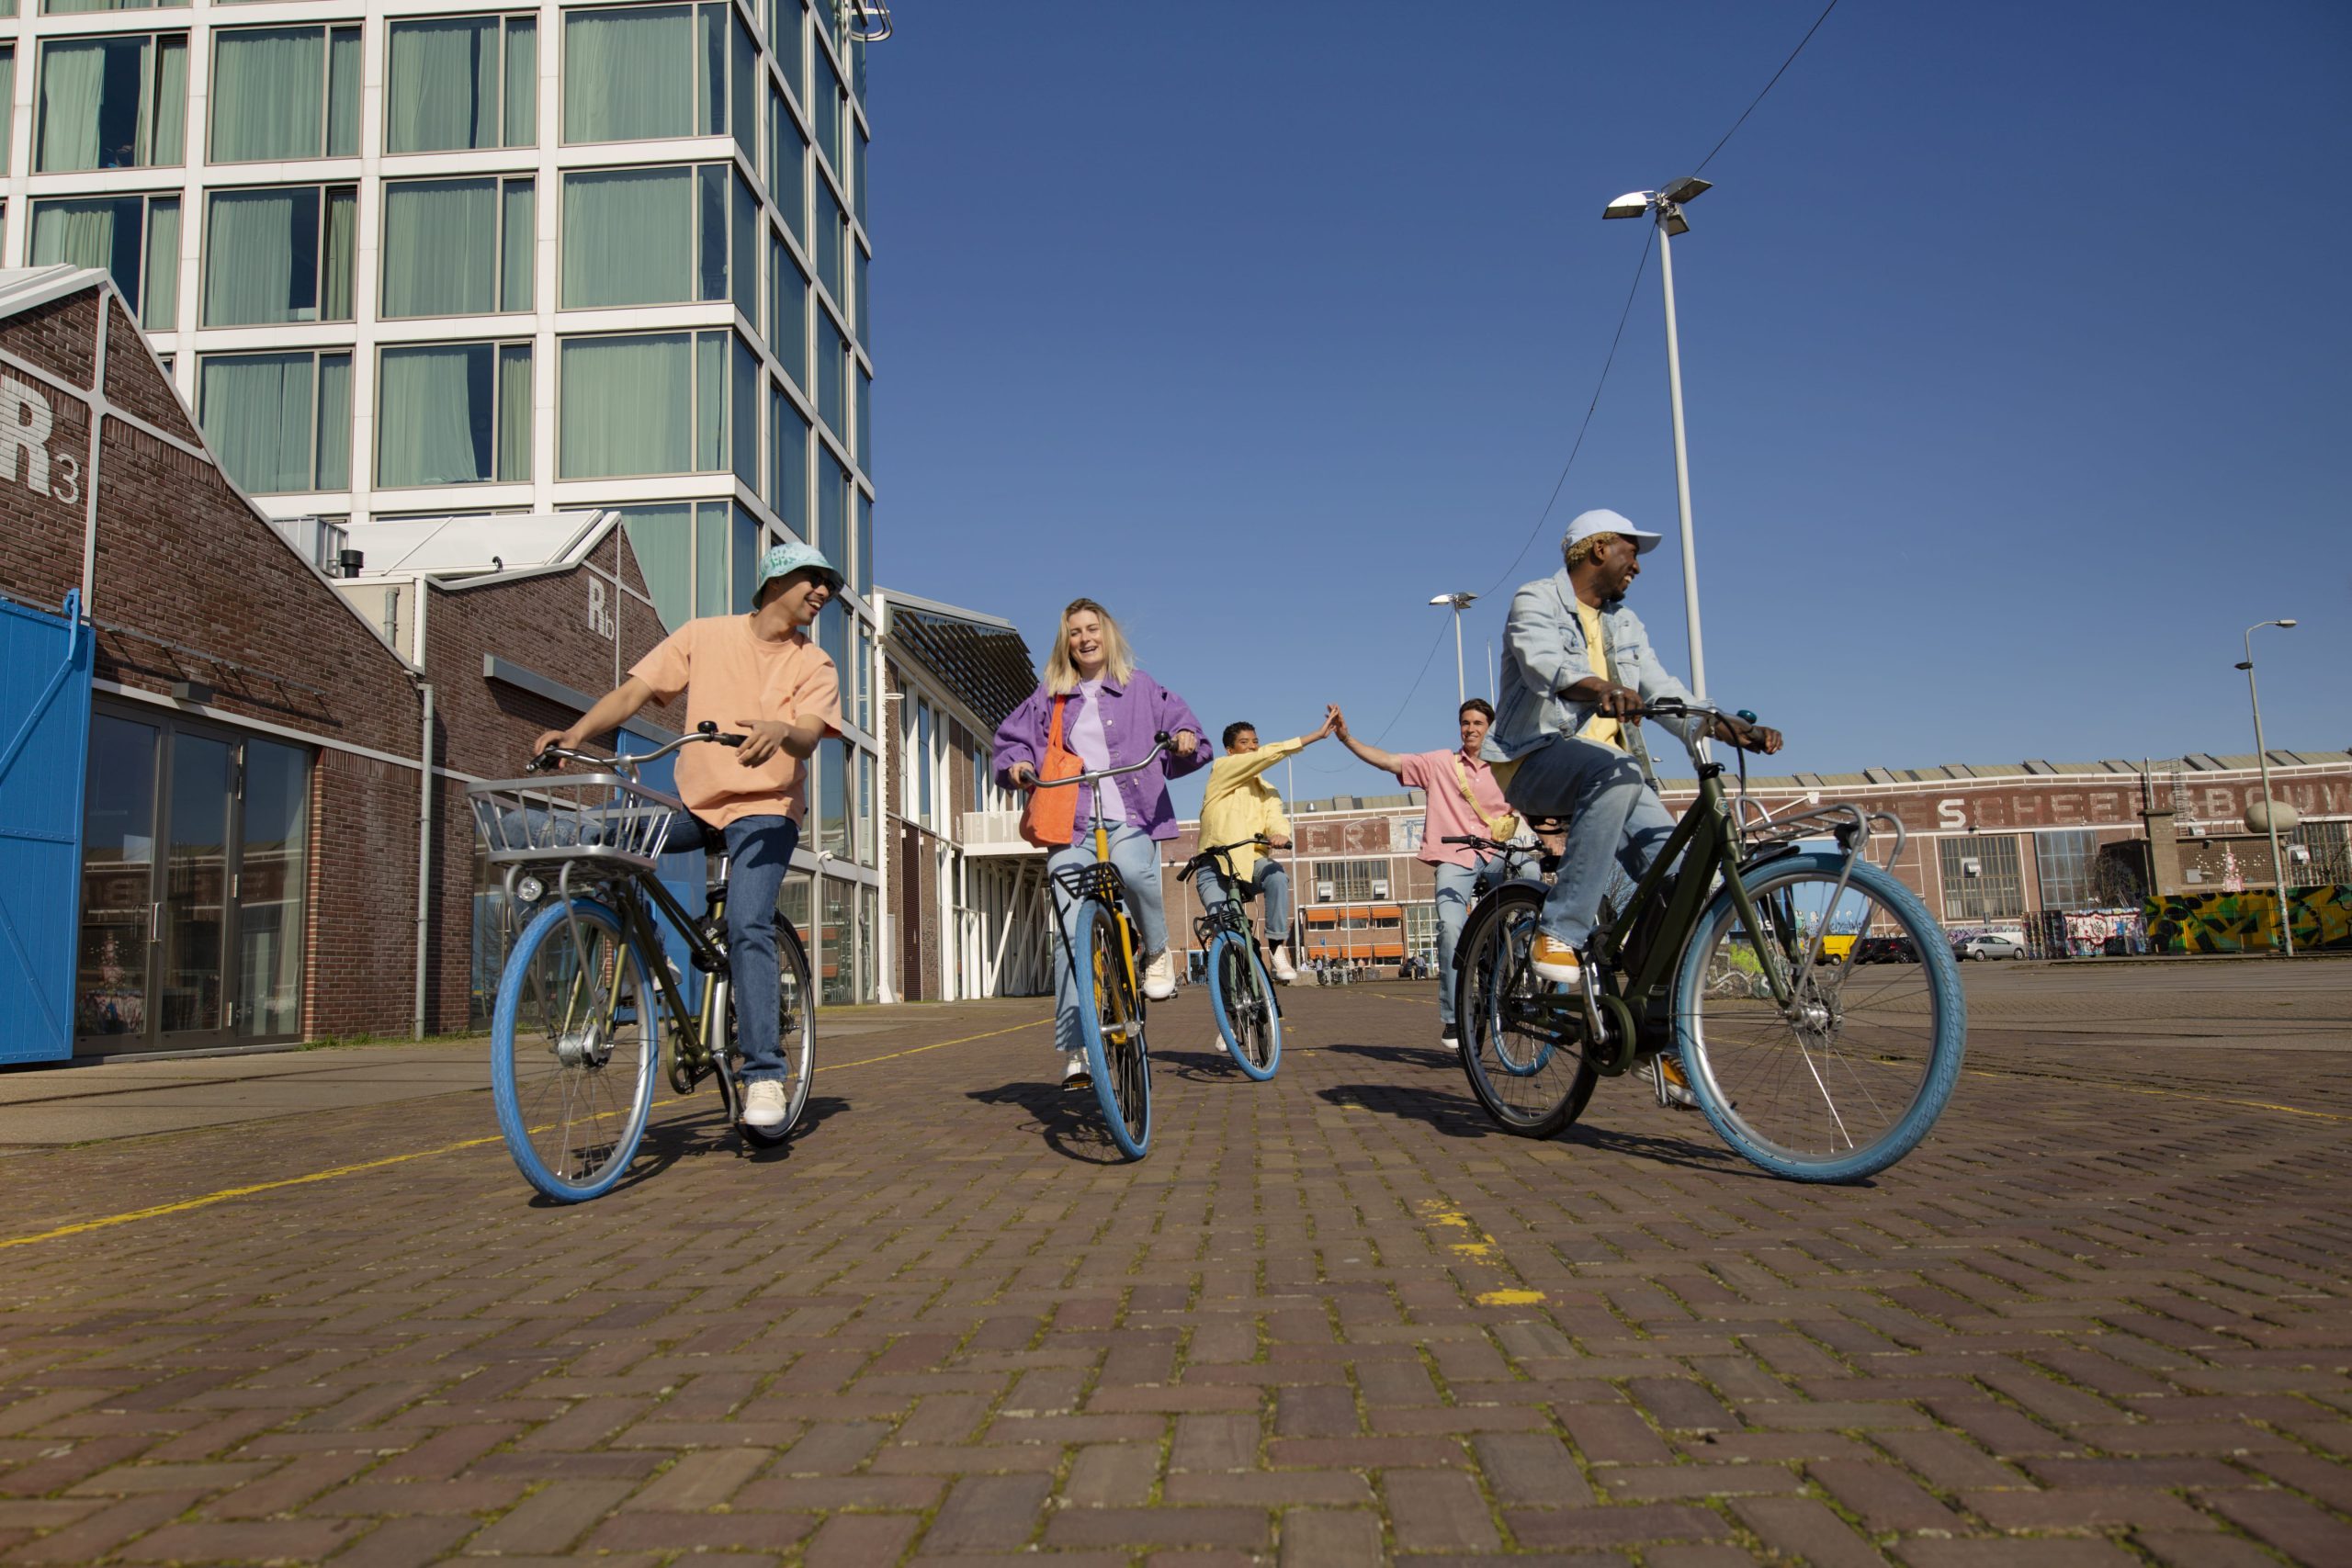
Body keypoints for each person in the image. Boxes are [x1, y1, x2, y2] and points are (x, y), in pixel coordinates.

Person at [533, 541, 844, 1130]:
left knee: (749, 924)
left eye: (829, 584)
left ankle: (764, 1076)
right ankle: (646, 958)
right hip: (697, 805)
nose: (825, 591)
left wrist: (781, 730)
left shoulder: (815, 664)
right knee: (605, 839)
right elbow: (636, 693)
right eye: (815, 579)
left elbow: (808, 735)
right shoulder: (704, 635)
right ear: (777, 579)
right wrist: (574, 735)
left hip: (767, 811)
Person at [1487, 509, 1781, 1093]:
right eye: (1630, 551)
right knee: (1618, 770)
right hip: (1535, 759)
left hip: (1615, 776)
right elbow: (1545, 661)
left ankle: (1655, 1037)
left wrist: (1727, 727)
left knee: (1678, 888)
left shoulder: (1625, 624)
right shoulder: (1536, 599)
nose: (1638, 566)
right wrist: (1601, 689)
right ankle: (1560, 931)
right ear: (1597, 549)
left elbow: (1663, 688)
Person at [993, 598, 1209, 1090]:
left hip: (1129, 816)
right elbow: (1012, 741)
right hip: (1069, 822)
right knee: (1072, 937)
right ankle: (1077, 1051)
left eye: (1093, 629)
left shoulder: (1142, 687)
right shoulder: (1050, 694)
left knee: (1136, 875)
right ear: (1065, 642)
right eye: (1075, 632)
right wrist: (1017, 766)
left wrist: (1182, 738)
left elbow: (1186, 729)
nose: (1085, 638)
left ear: (1108, 635)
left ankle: (1156, 950)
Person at [1328, 697, 1516, 1053]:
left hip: (1497, 854)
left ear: (1490, 727)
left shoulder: (1507, 764)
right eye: (1465, 722)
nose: (1471, 728)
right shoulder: (1440, 763)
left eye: (1478, 723)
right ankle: (1453, 1014)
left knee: (1530, 883)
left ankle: (1515, 974)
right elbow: (1388, 761)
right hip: (1455, 855)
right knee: (1449, 928)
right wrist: (1346, 738)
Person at [1194, 711, 1338, 985]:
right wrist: (1314, 737)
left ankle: (1275, 946)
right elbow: (1266, 756)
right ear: (1230, 750)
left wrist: (1281, 834)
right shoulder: (1221, 771)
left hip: (1251, 863)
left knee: (1276, 876)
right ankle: (1230, 1012)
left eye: (1255, 742)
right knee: (1223, 931)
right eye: (1245, 742)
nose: (1253, 747)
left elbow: (1276, 819)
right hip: (1215, 865)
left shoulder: (1269, 790)